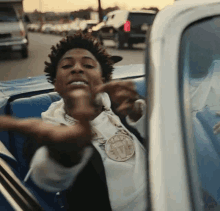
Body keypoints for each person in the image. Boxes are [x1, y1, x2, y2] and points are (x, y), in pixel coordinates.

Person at [0, 32, 147, 211]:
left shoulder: (124, 106)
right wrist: (65, 155)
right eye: (67, 65)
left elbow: (165, 141)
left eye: (88, 65)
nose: (77, 69)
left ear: (103, 78)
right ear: (56, 83)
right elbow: (48, 176)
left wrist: (139, 113)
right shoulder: (51, 128)